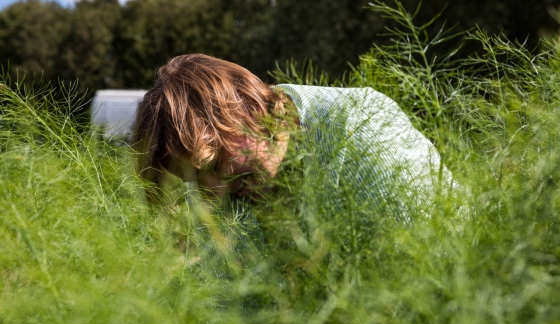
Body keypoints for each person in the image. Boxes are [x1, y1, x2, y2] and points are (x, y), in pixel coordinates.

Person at [132, 54, 453, 219]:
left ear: (250, 107)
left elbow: (430, 263)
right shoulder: (230, 194)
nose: (215, 190)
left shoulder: (363, 124)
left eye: (215, 164)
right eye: (196, 182)